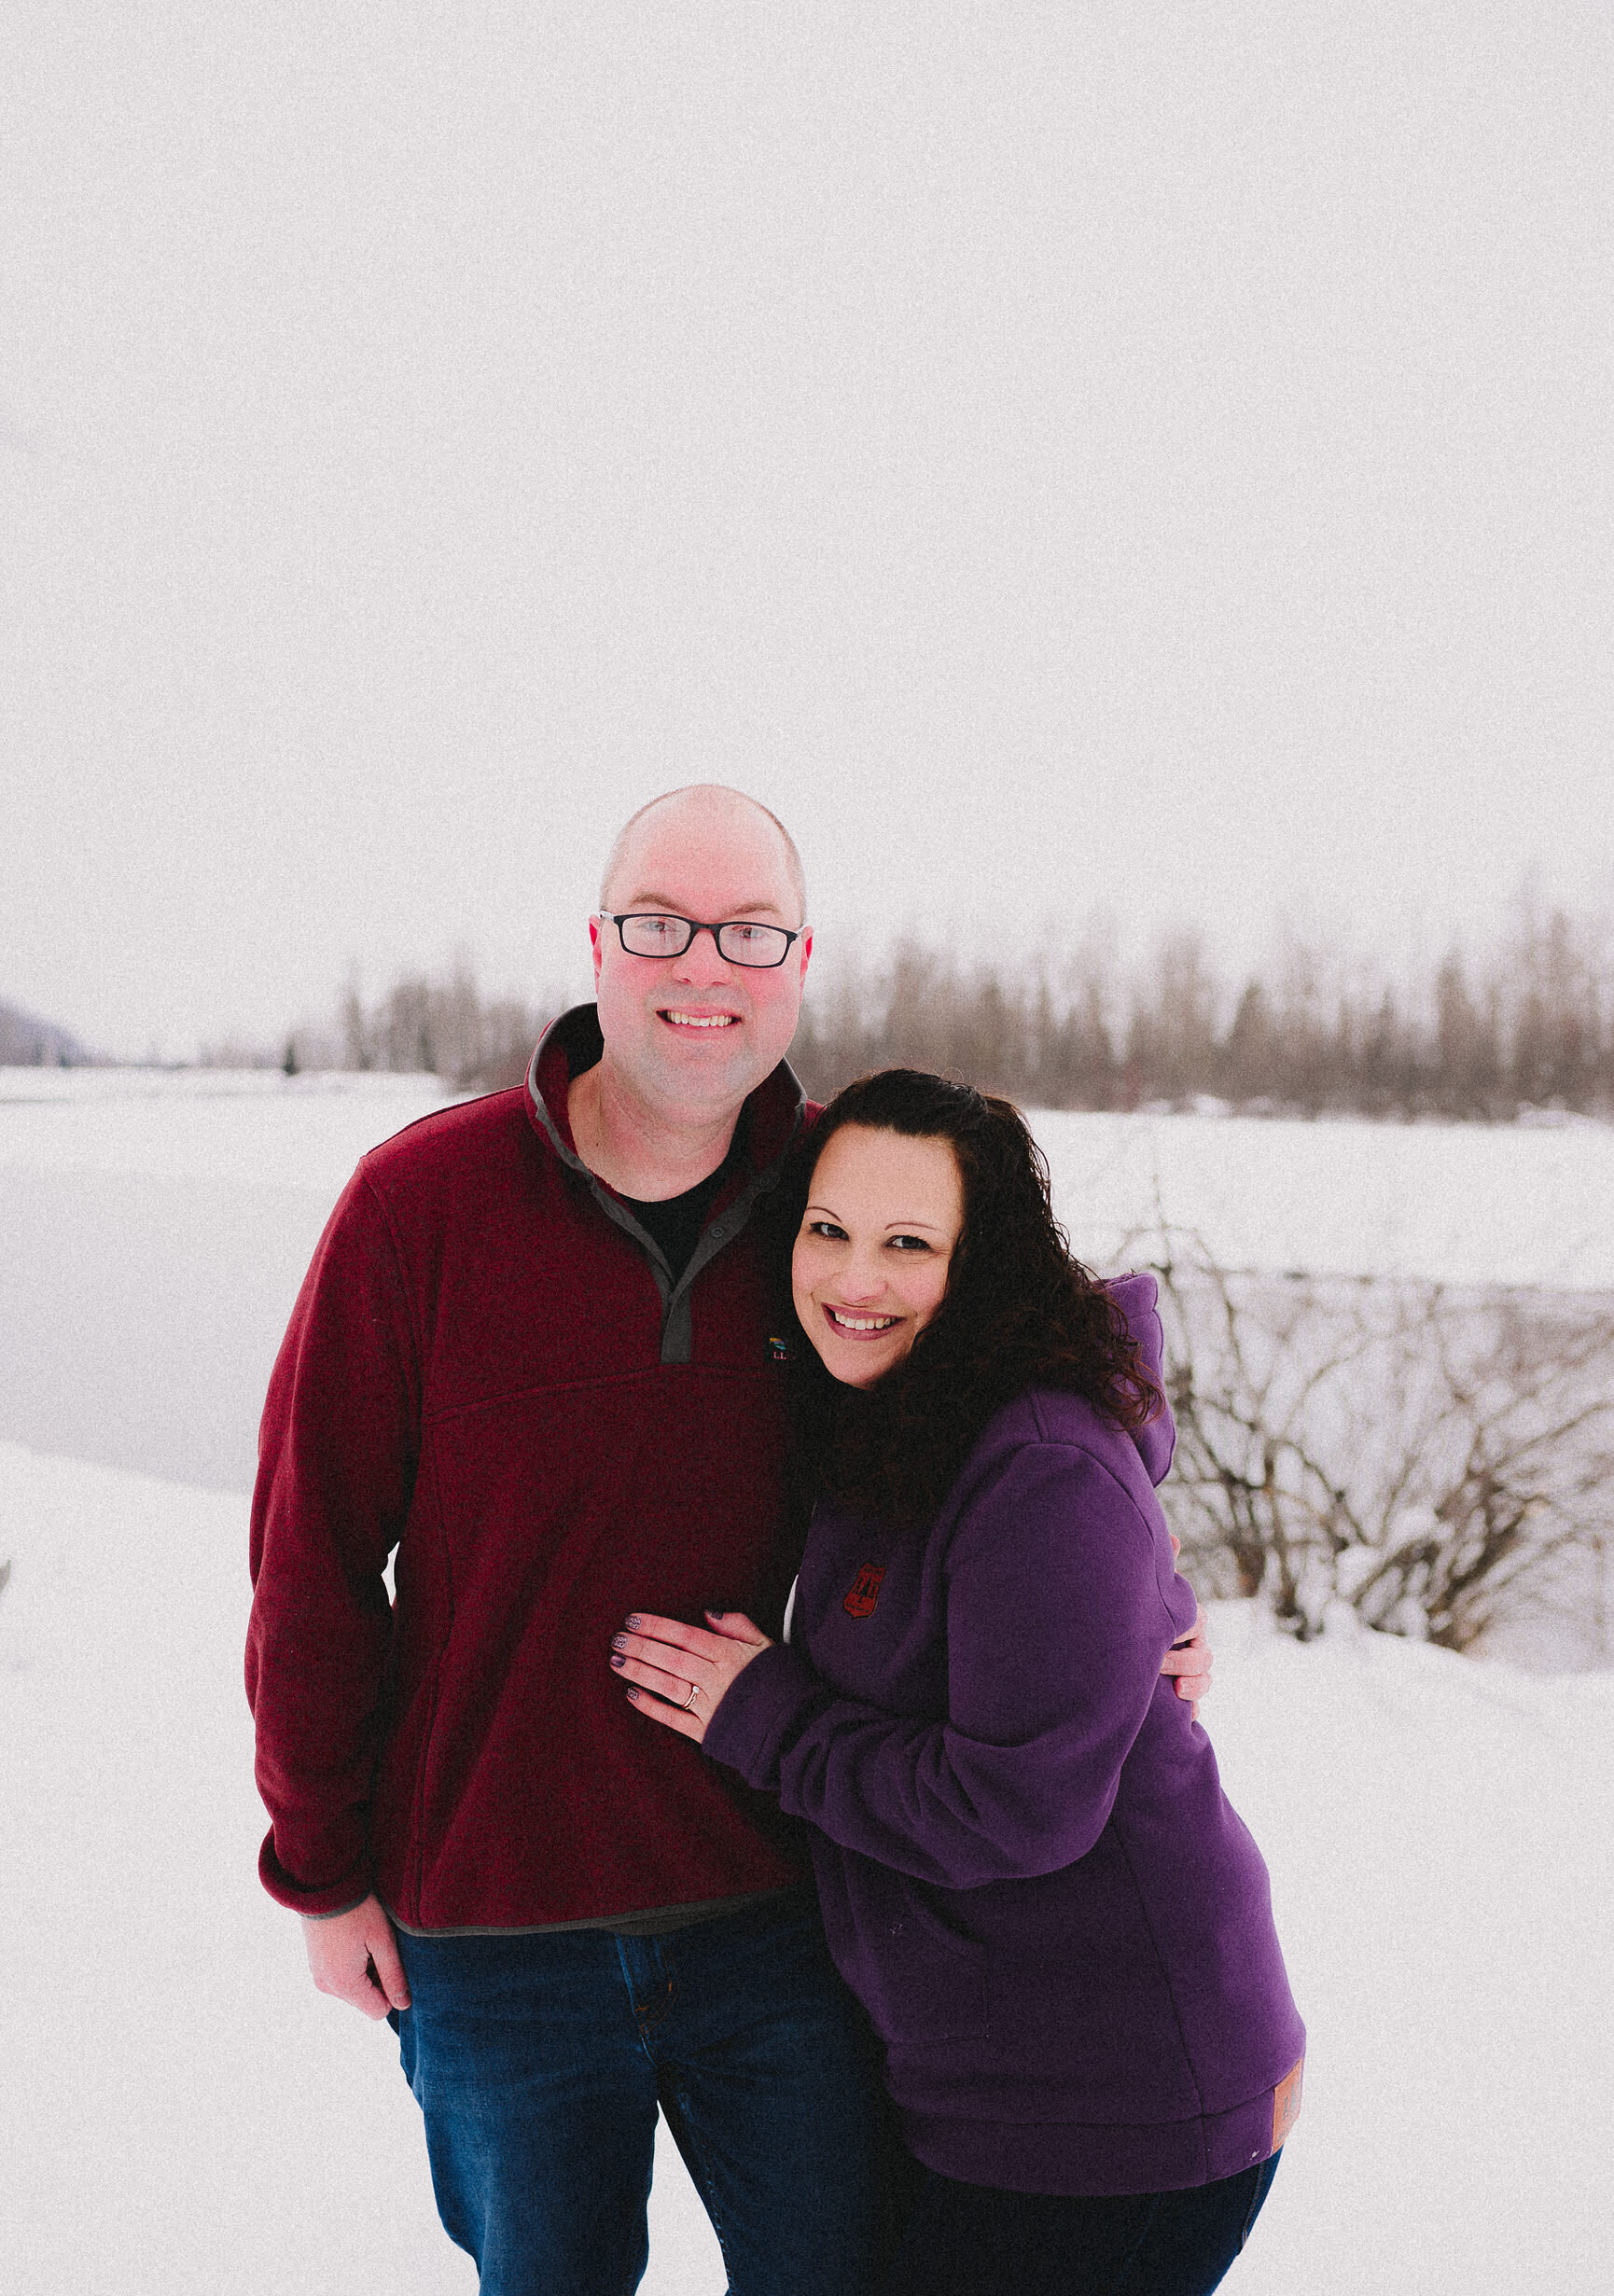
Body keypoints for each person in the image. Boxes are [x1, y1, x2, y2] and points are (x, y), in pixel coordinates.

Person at [246, 786, 1212, 2296]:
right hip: (493, 1927)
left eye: (749, 932)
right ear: (598, 945)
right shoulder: (417, 1207)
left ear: (801, 960)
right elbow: (310, 1565)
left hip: (791, 1910)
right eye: (662, 925)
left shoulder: (844, 1202)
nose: (705, 966)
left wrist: (1141, 1585)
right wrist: (319, 1869)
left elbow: (1051, 1376)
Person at [615, 1069, 1303, 2296]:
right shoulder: (893, 1408)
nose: (852, 1279)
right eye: (825, 1232)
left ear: (981, 1262)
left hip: (1115, 2103)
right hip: (993, 2078)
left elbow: (1015, 1806)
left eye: (907, 1243)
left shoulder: (1033, 1455)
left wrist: (760, 1716)